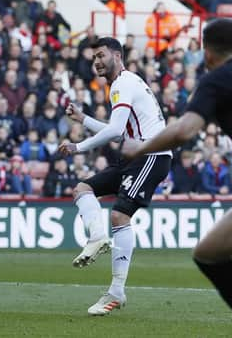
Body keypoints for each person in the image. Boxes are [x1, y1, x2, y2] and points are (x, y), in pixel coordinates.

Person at [121, 18, 232, 337]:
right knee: (209, 253)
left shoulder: (219, 79)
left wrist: (140, 148)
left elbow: (186, 129)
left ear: (207, 54)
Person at [58, 37, 172, 315]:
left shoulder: (123, 83)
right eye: (93, 57)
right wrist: (84, 119)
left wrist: (78, 146)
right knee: (82, 188)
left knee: (120, 216)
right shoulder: (123, 84)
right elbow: (119, 130)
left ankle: (116, 291)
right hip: (133, 153)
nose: (96, 61)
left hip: (152, 154)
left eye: (101, 55)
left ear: (117, 56)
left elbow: (115, 130)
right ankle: (97, 237)